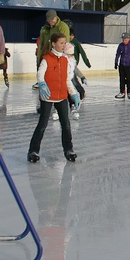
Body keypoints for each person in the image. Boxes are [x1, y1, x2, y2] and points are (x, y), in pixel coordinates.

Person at [28, 33, 80, 163]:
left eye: (64, 43)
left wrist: (73, 93)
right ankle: (33, 151)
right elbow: (40, 74)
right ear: (53, 44)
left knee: (66, 125)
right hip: (48, 96)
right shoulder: (46, 59)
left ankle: (69, 149)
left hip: (62, 97)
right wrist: (42, 83)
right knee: (42, 125)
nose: (64, 45)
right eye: (61, 43)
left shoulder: (64, 60)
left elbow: (67, 79)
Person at [114, 32, 130, 99]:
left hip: (129, 65)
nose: (124, 41)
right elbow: (117, 54)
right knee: (122, 79)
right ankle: (122, 92)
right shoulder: (121, 45)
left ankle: (129, 92)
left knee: (129, 79)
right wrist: (116, 62)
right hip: (122, 65)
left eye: (125, 40)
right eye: (123, 40)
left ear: (129, 39)